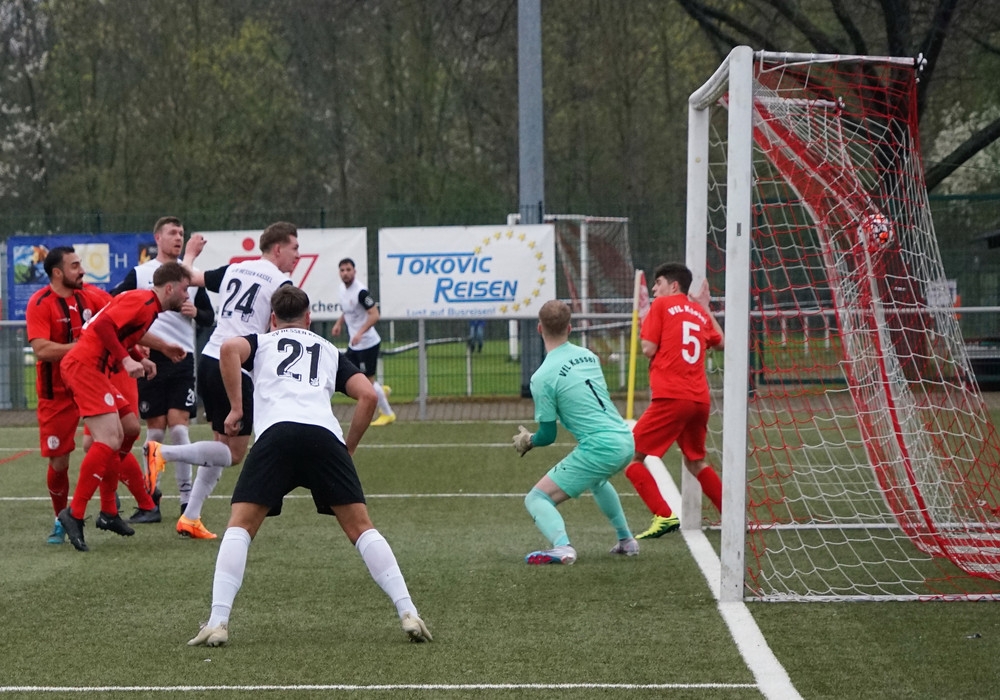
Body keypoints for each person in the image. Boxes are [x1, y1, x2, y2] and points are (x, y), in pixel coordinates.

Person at [187, 285, 431, 647]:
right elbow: (367, 395)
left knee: (240, 526)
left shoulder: (262, 342)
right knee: (361, 528)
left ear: (272, 319)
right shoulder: (329, 349)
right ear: (309, 318)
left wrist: (237, 408)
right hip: (323, 437)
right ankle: (408, 612)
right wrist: (347, 448)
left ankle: (218, 621)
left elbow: (227, 350)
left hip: (277, 435)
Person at [144, 222, 300, 540]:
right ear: (278, 249)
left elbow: (189, 276)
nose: (297, 255)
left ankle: (190, 516)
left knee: (219, 446)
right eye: (294, 248)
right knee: (234, 454)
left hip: (209, 359)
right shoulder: (281, 283)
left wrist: (189, 254)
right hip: (235, 366)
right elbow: (282, 328)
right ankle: (163, 453)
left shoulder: (235, 269)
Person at [56, 262, 192, 552]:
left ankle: (108, 512)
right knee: (108, 440)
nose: (186, 296)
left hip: (96, 369)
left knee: (129, 429)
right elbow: (103, 326)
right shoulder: (143, 301)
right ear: (169, 288)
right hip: (85, 367)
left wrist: (141, 357)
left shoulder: (147, 305)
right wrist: (126, 359)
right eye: (184, 289)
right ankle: (75, 514)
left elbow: (120, 332)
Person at [512, 299, 638, 565]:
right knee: (598, 481)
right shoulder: (589, 356)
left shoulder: (542, 377)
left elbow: (548, 436)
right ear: (570, 328)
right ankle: (626, 540)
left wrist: (528, 440)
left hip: (600, 447)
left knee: (536, 498)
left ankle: (562, 548)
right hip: (625, 439)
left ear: (539, 328)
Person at [111, 216, 215, 517]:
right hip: (150, 360)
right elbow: (116, 305)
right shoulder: (140, 274)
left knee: (179, 429)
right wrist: (135, 341)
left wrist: (196, 312)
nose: (178, 237)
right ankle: (151, 500)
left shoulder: (190, 275)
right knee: (155, 431)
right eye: (172, 232)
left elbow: (209, 317)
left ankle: (186, 500)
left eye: (181, 233)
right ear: (157, 238)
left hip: (182, 359)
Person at [624, 262, 725, 540]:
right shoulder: (698, 312)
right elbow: (721, 341)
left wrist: (647, 326)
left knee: (630, 456)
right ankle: (732, 515)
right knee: (696, 461)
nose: (654, 289)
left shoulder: (661, 305)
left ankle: (663, 515)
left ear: (674, 285)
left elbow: (648, 348)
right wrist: (704, 306)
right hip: (699, 399)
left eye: (658, 283)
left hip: (671, 396)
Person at [331, 258, 395, 426]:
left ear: (355, 271)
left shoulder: (361, 292)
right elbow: (348, 311)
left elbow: (375, 315)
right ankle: (381, 390)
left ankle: (388, 414)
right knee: (345, 373)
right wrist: (339, 323)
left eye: (348, 270)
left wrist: (360, 333)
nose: (345, 273)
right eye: (342, 270)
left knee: (367, 382)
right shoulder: (342, 289)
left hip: (368, 344)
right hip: (354, 344)